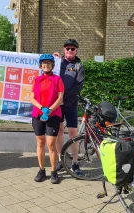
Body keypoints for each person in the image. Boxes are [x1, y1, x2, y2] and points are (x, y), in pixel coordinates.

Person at [31, 54, 64, 184]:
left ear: (52, 65)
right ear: (41, 65)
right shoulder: (37, 80)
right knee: (40, 143)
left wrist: (49, 109)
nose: (46, 65)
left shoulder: (57, 79)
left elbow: (60, 98)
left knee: (51, 145)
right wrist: (42, 108)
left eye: (48, 63)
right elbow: (32, 98)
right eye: (44, 63)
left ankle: (53, 171)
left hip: (54, 115)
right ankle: (41, 170)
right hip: (38, 115)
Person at [53, 39, 85, 175]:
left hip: (70, 104)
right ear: (64, 49)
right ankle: (61, 159)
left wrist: (63, 98)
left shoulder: (79, 66)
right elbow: (47, 72)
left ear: (76, 50)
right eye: (67, 48)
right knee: (59, 131)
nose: (70, 51)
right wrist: (52, 59)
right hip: (58, 105)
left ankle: (75, 162)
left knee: (74, 134)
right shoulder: (58, 62)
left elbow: (78, 86)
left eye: (73, 49)